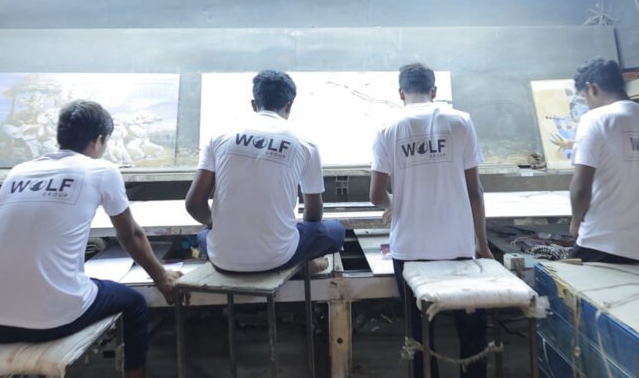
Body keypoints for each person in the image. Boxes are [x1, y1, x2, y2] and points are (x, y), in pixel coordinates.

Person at [0, 100, 181, 378]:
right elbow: (130, 235)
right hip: (54, 320)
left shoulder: (18, 172)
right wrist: (161, 277)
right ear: (98, 140)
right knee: (134, 304)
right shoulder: (101, 171)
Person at [369, 63, 492, 378]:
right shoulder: (460, 121)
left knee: (420, 336)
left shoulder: (388, 129)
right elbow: (474, 191)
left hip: (410, 251)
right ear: (434, 91)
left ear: (401, 94)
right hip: (458, 248)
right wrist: (483, 245)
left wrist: (395, 204)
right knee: (472, 330)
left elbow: (375, 196)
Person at [186, 70, 345, 273]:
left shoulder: (219, 136)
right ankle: (302, 261)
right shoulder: (305, 143)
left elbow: (193, 204)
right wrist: (296, 235)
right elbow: (314, 213)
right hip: (278, 258)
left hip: (222, 259)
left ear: (254, 104)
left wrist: (215, 224)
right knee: (335, 231)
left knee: (203, 235)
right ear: (289, 105)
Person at [568, 58, 639, 264]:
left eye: (584, 97)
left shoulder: (597, 119)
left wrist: (575, 223)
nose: (587, 104)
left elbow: (580, 188)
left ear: (591, 88)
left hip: (603, 243)